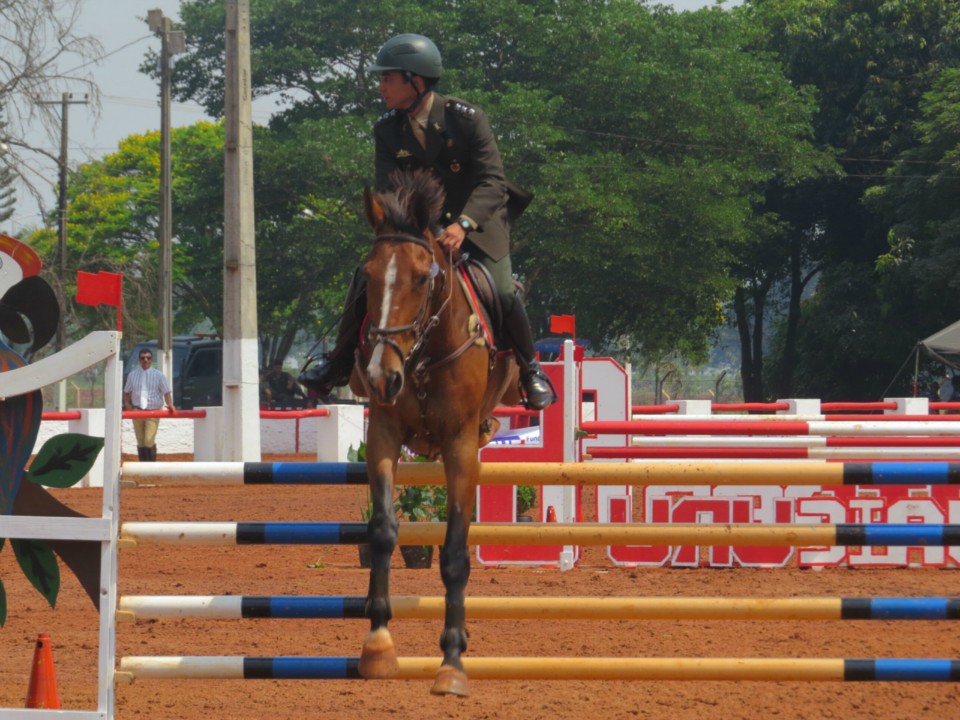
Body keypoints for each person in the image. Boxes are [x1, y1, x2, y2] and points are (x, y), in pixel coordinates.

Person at [300, 33, 555, 410]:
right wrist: (421, 234)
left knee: (501, 291)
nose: (380, 86)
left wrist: (463, 224)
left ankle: (531, 369)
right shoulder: (386, 129)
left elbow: (492, 181)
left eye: (387, 78)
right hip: (419, 232)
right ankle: (337, 363)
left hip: (478, 227)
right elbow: (389, 188)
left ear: (415, 81)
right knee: (364, 277)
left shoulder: (466, 120)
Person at [123, 348, 175, 462]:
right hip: (137, 411)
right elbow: (126, 392)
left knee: (148, 440)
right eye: (142, 358)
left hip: (153, 412)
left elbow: (166, 392)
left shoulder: (159, 375)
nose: (145, 360)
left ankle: (150, 466)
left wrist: (170, 404)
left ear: (152, 360)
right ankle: (143, 466)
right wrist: (127, 404)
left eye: (148, 358)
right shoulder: (132, 375)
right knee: (140, 441)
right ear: (139, 360)